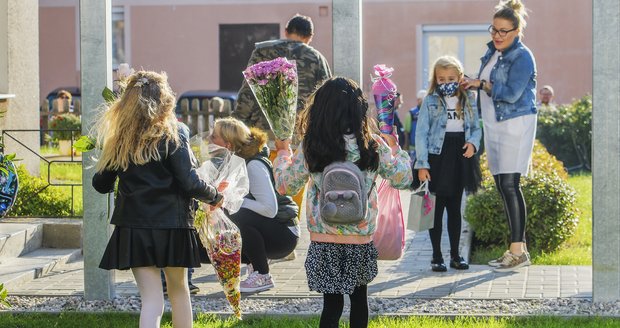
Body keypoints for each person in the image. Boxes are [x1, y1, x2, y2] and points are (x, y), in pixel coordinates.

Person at [273, 77, 412, 328]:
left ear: (320, 110)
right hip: (360, 238)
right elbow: (403, 178)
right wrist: (395, 148)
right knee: (360, 300)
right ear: (359, 109)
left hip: (324, 238)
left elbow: (285, 185)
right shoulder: (371, 144)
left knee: (332, 304)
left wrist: (283, 153)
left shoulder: (312, 146)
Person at [93, 70, 223, 328]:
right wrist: (216, 195)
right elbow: (189, 181)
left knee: (151, 300)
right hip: (173, 226)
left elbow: (100, 184)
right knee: (179, 291)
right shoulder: (174, 134)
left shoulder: (120, 139)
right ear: (164, 100)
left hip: (134, 227)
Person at [460, 0, 537, 272]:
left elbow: (512, 92)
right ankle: (518, 250)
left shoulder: (522, 56)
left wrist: (482, 84)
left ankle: (517, 250)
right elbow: (487, 85)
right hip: (493, 125)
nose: (497, 35)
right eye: (494, 29)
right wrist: (471, 82)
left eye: (504, 31)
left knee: (510, 184)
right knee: (502, 185)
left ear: (517, 30)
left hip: (516, 124)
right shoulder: (492, 52)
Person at [209, 117, 299, 293]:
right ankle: (254, 268)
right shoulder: (238, 160)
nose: (209, 140)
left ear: (227, 144)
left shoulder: (253, 165)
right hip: (273, 228)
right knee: (230, 213)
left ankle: (262, 274)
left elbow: (269, 208)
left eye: (214, 136)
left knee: (236, 213)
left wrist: (231, 199)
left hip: (284, 235)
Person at [414, 56, 482, 272]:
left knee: (455, 208)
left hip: (460, 154)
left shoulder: (469, 98)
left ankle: (456, 255)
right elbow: (421, 133)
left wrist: (473, 143)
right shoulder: (431, 100)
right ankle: (436, 256)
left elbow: (476, 126)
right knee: (436, 209)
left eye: (451, 78)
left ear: (460, 77)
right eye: (442, 78)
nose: (447, 82)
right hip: (437, 156)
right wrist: (422, 165)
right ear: (436, 79)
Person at [233, 14, 332, 131]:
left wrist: (237, 122)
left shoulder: (262, 51)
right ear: (310, 36)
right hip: (300, 131)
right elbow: (328, 97)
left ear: (286, 31)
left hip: (263, 130)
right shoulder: (316, 58)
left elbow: (248, 90)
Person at [404, 89, 427, 157]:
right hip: (413, 148)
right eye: (420, 99)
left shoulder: (429, 113)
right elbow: (406, 132)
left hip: (426, 148)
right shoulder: (411, 113)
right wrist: (406, 146)